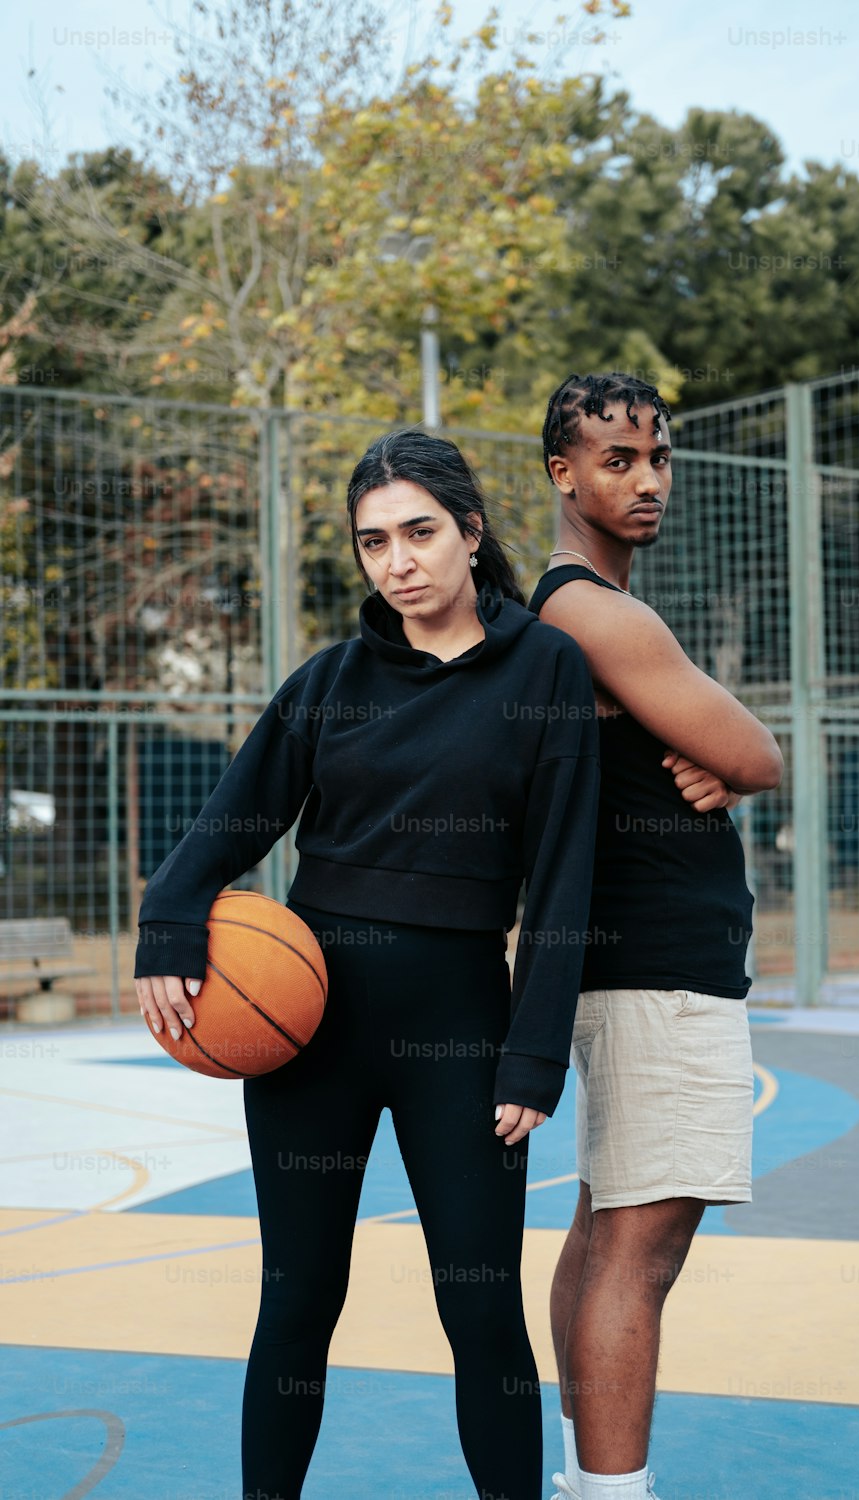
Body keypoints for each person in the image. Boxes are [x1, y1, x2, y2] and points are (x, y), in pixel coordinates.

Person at [134, 428, 601, 1500]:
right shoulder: (329, 681)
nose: (399, 561)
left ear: (471, 532)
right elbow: (226, 824)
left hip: (466, 1036)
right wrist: (170, 925)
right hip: (310, 1036)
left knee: (479, 1305)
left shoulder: (546, 669)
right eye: (374, 541)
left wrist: (535, 1055)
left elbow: (566, 878)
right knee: (297, 1297)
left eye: (421, 532)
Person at [527, 373, 784, 1500]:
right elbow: (762, 754)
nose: (646, 480)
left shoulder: (588, 612)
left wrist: (719, 763)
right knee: (643, 1253)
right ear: (562, 474)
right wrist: (731, 762)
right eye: (616, 459)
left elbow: (730, 757)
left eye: (658, 457)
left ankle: (585, 1478)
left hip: (630, 967)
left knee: (602, 1235)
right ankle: (610, 1490)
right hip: (656, 974)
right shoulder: (591, 608)